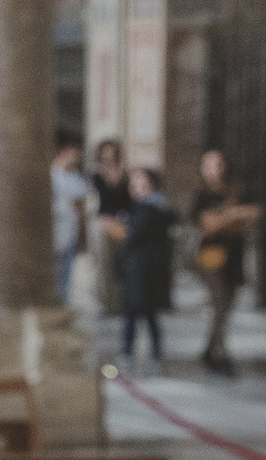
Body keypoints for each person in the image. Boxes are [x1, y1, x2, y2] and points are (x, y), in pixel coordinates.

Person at [190, 149, 259, 375]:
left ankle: (210, 348)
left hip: (234, 257)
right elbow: (208, 224)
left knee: (227, 306)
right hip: (211, 256)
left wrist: (226, 218)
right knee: (219, 304)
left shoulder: (236, 190)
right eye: (209, 165)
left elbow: (253, 215)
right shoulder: (202, 195)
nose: (214, 170)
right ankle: (219, 352)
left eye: (218, 165)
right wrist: (234, 216)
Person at [116, 166, 178, 373]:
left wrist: (118, 229)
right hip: (142, 267)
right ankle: (142, 353)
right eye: (133, 184)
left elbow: (133, 234)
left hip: (144, 268)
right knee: (140, 313)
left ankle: (139, 353)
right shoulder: (152, 207)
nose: (135, 189)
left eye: (141, 184)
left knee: (142, 312)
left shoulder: (151, 208)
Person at [91, 138, 131, 315]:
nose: (108, 154)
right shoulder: (96, 175)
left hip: (123, 221)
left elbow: (128, 200)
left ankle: (121, 301)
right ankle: (107, 302)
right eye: (104, 151)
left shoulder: (125, 174)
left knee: (122, 263)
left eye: (111, 150)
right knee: (104, 264)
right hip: (103, 222)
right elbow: (96, 200)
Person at [49, 138, 89, 303]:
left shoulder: (76, 179)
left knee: (66, 269)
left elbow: (80, 207)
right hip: (52, 227)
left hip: (69, 227)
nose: (74, 159)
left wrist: (82, 234)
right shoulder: (49, 174)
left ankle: (63, 300)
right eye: (72, 154)